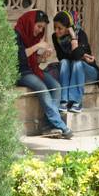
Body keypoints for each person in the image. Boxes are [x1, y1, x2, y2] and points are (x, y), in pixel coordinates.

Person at [14, 10, 72, 139]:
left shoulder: (32, 36)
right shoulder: (17, 33)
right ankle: (60, 125)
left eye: (42, 28)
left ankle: (49, 126)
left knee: (56, 86)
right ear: (30, 23)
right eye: (39, 26)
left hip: (32, 70)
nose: (40, 30)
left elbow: (33, 61)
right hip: (19, 72)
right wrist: (37, 46)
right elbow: (18, 57)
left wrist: (42, 58)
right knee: (42, 88)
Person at [51, 11, 99, 113]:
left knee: (77, 63)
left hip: (89, 71)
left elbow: (77, 57)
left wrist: (74, 38)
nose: (57, 31)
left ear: (68, 27)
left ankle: (76, 101)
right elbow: (61, 57)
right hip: (73, 70)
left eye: (60, 28)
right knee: (65, 62)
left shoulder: (81, 35)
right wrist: (79, 55)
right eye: (55, 28)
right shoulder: (55, 37)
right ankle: (64, 101)